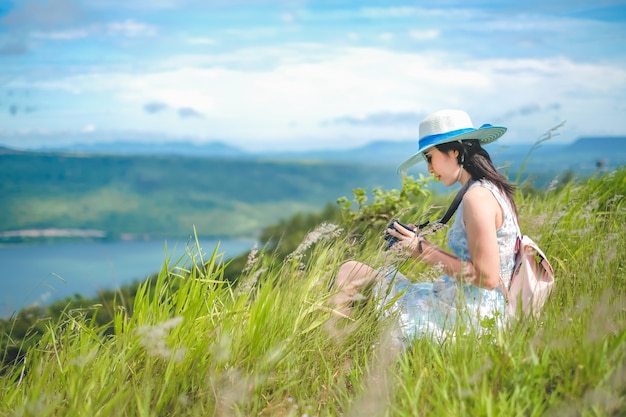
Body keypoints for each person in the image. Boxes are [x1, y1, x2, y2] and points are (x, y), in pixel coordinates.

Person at [333, 109, 519, 343]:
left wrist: (421, 251)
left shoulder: (477, 197)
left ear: (454, 151)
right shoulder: (489, 190)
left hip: (463, 318)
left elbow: (488, 277)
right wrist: (421, 245)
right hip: (469, 308)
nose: (429, 169)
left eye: (429, 157)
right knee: (355, 272)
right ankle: (343, 345)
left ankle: (335, 346)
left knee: (351, 271)